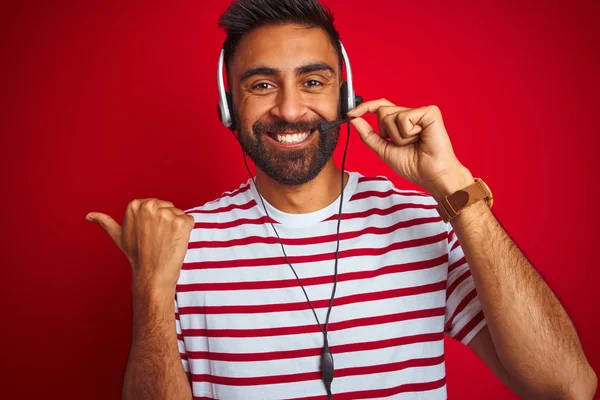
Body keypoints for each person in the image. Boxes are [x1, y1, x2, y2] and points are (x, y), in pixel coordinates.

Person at [86, 0, 597, 399]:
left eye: (313, 81)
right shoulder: (180, 246)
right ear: (228, 107)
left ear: (345, 97)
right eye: (262, 84)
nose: (290, 109)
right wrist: (152, 285)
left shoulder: (425, 219)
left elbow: (567, 387)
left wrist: (455, 188)